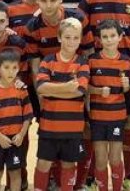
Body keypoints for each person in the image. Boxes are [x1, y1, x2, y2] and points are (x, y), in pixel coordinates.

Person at [34, 18, 91, 191]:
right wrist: (66, 87)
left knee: (68, 164)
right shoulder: (48, 60)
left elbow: (80, 91)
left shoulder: (82, 62)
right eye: (67, 37)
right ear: (59, 38)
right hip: (49, 125)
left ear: (80, 39)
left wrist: (53, 89)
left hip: (72, 127)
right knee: (43, 163)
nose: (71, 42)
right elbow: (40, 88)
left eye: (75, 38)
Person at [89, 20, 130, 191]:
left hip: (117, 117)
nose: (109, 40)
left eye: (112, 36)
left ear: (120, 37)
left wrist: (127, 86)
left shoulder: (127, 62)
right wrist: (98, 90)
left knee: (115, 158)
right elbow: (85, 88)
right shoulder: (92, 61)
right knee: (100, 159)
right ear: (99, 39)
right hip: (97, 118)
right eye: (105, 37)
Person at [0, 49, 34, 191]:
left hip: (16, 140)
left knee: (15, 174)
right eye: (6, 68)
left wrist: (22, 135)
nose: (11, 72)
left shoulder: (22, 90)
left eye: (14, 68)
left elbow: (28, 116)